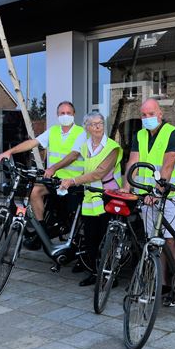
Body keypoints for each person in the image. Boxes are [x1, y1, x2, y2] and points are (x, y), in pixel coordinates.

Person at [122, 98, 175, 306]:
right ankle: (162, 284)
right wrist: (126, 187)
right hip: (147, 197)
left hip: (171, 195)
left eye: (151, 114)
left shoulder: (172, 134)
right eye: (143, 115)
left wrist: (158, 192)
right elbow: (132, 162)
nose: (147, 118)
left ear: (160, 114)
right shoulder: (139, 135)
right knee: (153, 240)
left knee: (170, 241)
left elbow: (168, 165)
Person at [0, 101, 85, 247]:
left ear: (74, 115)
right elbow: (33, 143)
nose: (65, 116)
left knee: (72, 218)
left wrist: (53, 168)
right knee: (34, 191)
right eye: (62, 113)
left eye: (68, 113)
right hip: (55, 180)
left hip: (73, 182)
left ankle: (75, 243)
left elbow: (74, 155)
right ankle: (42, 233)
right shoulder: (53, 130)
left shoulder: (81, 132)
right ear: (57, 115)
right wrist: (9, 151)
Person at [58, 112, 122, 287]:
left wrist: (72, 181)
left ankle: (110, 276)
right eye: (93, 124)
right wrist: (64, 180)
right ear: (86, 127)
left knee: (107, 239)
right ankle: (95, 273)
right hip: (90, 199)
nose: (97, 127)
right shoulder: (85, 147)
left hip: (108, 198)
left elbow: (99, 172)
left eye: (100, 123)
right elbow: (82, 170)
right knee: (91, 241)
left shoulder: (112, 146)